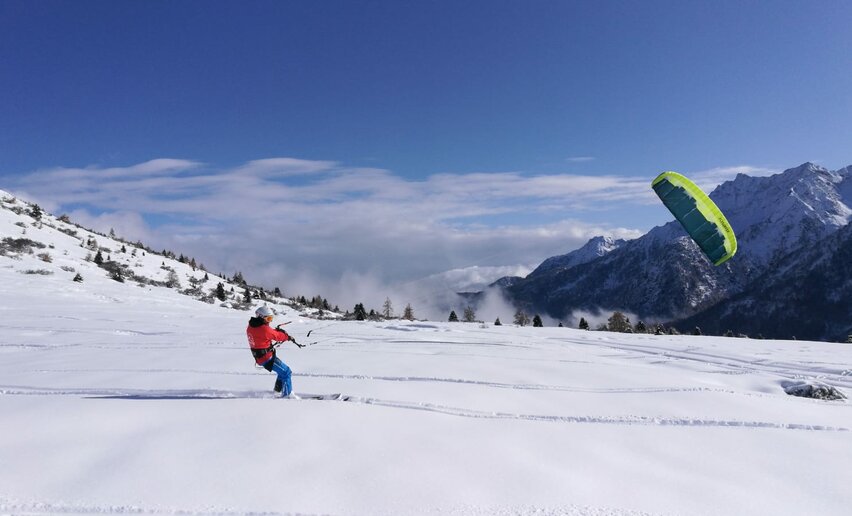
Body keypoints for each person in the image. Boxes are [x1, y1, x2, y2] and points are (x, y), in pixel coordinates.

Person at [247, 305, 295, 397]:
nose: (270, 321)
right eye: (268, 319)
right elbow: (277, 336)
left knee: (282, 372)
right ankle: (287, 396)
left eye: (271, 318)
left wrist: (274, 331)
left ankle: (277, 390)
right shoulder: (264, 329)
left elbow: (265, 333)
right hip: (266, 358)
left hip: (261, 357)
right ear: (261, 317)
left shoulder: (251, 326)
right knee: (286, 372)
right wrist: (287, 337)